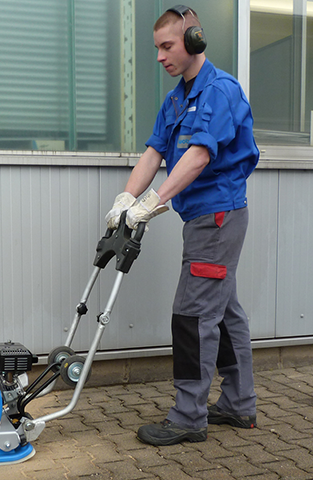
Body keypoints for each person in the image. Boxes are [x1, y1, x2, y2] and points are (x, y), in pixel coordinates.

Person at [104, 5, 259, 446]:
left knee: (192, 316)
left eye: (167, 46)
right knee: (224, 314)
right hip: (202, 219)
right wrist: (126, 200)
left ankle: (189, 416)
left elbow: (198, 155)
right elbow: (155, 153)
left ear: (193, 41)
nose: (159, 56)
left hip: (219, 218)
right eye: (156, 48)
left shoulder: (219, 90)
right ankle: (239, 404)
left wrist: (154, 201)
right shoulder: (177, 98)